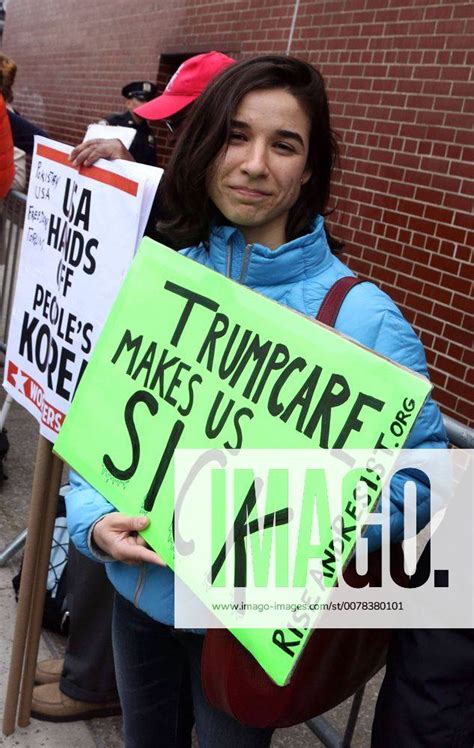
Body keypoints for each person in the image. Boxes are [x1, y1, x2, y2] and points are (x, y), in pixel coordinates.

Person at [65, 55, 446, 747]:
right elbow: (100, 415)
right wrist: (91, 524)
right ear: (208, 145)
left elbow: (428, 483)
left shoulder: (364, 318)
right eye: (236, 136)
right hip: (136, 593)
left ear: (309, 169)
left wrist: (294, 536)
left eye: (284, 144)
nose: (253, 164)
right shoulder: (164, 274)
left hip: (241, 628)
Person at [31, 50, 235, 724]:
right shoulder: (171, 179)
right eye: (166, 125)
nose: (170, 136)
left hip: (199, 460)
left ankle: (94, 679)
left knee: (131, 534)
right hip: (140, 405)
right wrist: (119, 150)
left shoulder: (207, 208)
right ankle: (94, 666)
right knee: (99, 522)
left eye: (183, 124)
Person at [100, 80, 158, 165]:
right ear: (128, 103)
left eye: (149, 100)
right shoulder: (113, 123)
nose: (147, 104)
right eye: (141, 100)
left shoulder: (148, 133)